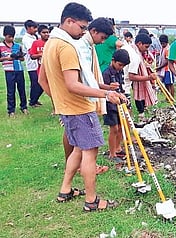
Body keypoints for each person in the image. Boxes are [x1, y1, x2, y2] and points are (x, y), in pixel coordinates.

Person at [38, 2, 126, 212]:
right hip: (80, 109)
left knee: (78, 149)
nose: (83, 32)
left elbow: (43, 79)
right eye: (82, 27)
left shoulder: (51, 42)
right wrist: (106, 93)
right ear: (69, 21)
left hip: (67, 109)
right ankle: (91, 200)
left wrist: (60, 101)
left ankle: (65, 189)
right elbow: (73, 84)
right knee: (90, 153)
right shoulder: (67, 46)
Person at [102, 49, 130, 162]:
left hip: (119, 103)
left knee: (121, 127)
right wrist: (110, 89)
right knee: (114, 128)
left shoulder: (120, 72)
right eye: (120, 65)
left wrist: (123, 96)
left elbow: (121, 87)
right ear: (113, 61)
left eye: (123, 66)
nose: (121, 67)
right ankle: (112, 154)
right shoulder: (106, 73)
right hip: (109, 104)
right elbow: (102, 88)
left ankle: (118, 148)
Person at [125, 33, 158, 121]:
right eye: (146, 47)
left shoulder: (127, 47)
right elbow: (131, 76)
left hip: (119, 82)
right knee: (126, 115)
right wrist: (149, 78)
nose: (146, 50)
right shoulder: (135, 56)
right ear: (139, 44)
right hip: (124, 86)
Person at [0, 25, 28, 117]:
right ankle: (11, 110)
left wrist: (19, 56)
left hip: (19, 69)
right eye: (9, 36)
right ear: (4, 35)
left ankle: (24, 107)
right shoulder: (1, 46)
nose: (11, 38)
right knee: (11, 91)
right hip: (9, 70)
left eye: (13, 36)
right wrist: (7, 58)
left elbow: (23, 59)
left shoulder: (17, 45)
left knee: (22, 89)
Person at [22, 20, 42, 108]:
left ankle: (34, 99)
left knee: (40, 83)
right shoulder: (26, 39)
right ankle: (32, 101)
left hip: (39, 64)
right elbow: (33, 50)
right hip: (32, 65)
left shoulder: (34, 37)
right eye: (34, 28)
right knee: (36, 83)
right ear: (29, 28)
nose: (36, 30)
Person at [156, 34, 175, 98]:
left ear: (166, 42)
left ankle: (172, 97)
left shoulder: (168, 49)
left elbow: (167, 61)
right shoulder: (163, 48)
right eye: (161, 43)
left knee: (170, 84)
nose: (162, 45)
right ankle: (168, 97)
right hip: (164, 70)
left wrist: (159, 67)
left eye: (163, 43)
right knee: (166, 84)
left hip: (169, 69)